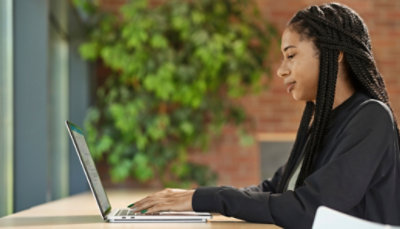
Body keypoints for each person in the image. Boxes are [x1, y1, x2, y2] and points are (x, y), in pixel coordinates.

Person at [128, 3, 400, 228]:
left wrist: (206, 198)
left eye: (291, 55)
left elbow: (310, 209)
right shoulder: (323, 124)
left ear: (336, 54)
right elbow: (274, 189)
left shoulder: (371, 118)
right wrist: (193, 199)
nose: (281, 70)